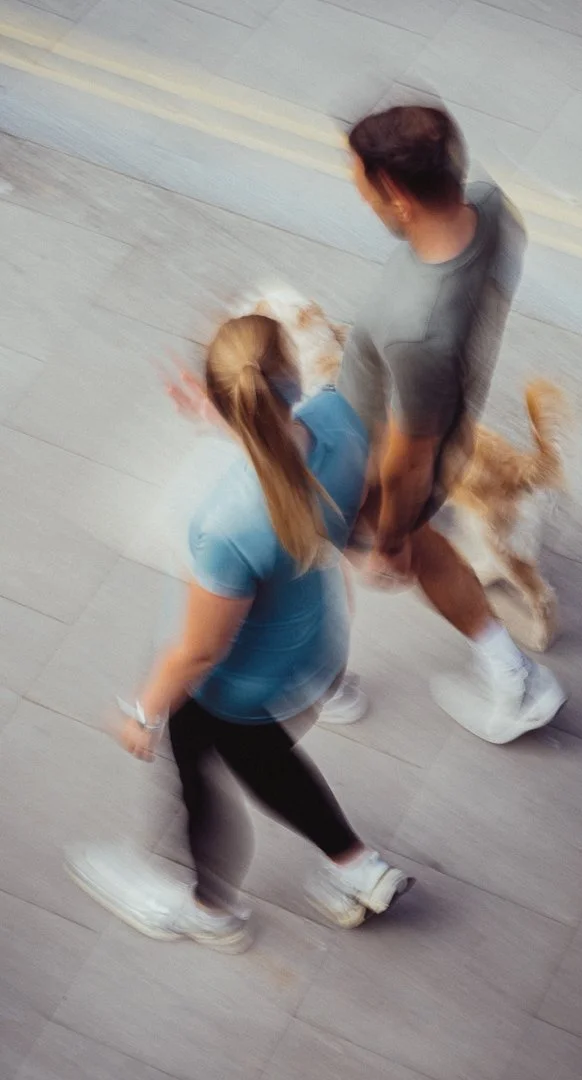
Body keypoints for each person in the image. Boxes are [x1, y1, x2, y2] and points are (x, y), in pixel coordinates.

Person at [66, 315, 412, 951]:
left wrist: (142, 712)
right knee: (269, 766)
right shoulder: (339, 418)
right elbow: (330, 482)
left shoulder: (226, 525)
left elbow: (200, 649)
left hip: (240, 688)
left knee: (198, 766)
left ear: (233, 404)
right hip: (318, 646)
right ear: (295, 375)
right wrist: (373, 548)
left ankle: (211, 910)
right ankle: (357, 866)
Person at [320, 104, 566, 744]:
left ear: (396, 193)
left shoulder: (416, 323)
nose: (361, 197)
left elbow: (407, 457)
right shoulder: (490, 207)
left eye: (363, 184)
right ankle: (510, 673)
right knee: (426, 546)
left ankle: (324, 682)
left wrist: (392, 534)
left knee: (310, 549)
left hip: (372, 456)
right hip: (449, 417)